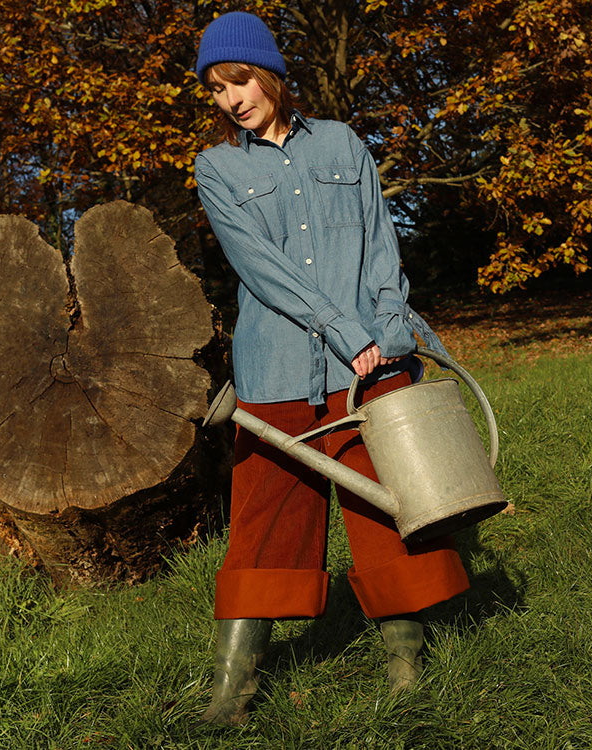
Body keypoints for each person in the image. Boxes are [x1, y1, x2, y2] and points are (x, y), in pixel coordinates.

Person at [193, 11, 469, 725]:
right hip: (278, 370)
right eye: (218, 89)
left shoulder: (345, 144)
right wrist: (346, 331)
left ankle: (407, 673)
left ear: (273, 73)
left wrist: (385, 327)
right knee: (264, 522)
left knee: (391, 511)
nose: (232, 99)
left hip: (375, 367)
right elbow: (263, 269)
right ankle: (232, 694)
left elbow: (382, 243)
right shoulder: (218, 168)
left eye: (241, 79)